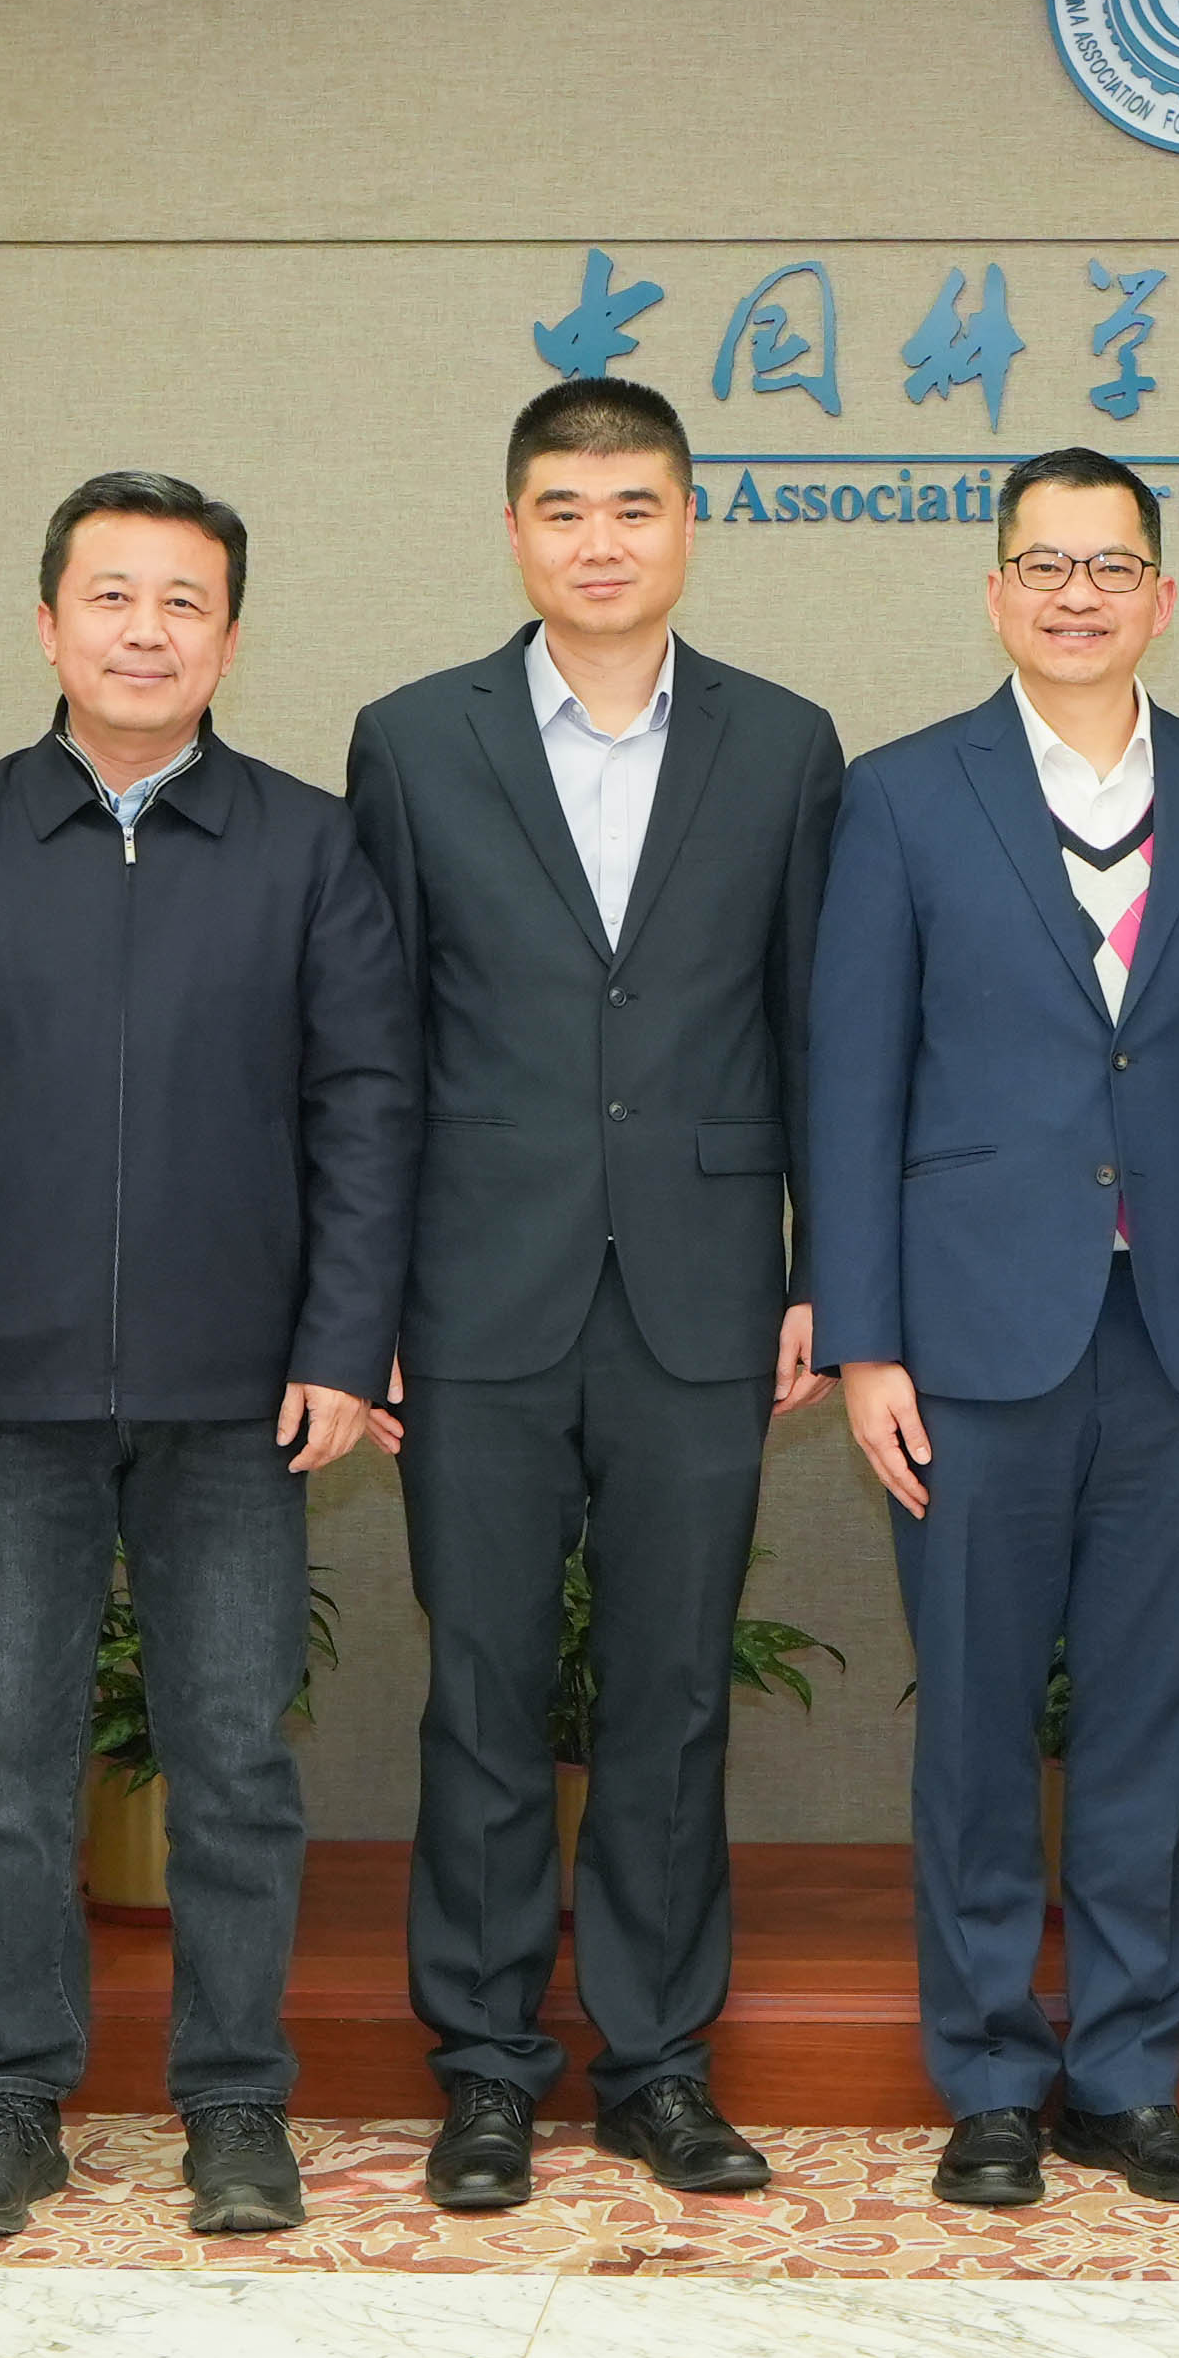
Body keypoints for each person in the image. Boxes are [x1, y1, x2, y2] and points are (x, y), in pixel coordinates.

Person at [0, 470, 413, 2247]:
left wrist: (342, 1343)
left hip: (239, 1393)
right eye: (112, 596)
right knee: (3, 1765)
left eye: (184, 601)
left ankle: (236, 2104)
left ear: (231, 638)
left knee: (233, 1759)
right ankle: (11, 2103)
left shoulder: (312, 846)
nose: (146, 629)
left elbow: (366, 1116)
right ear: (46, 623)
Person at [340, 378, 841, 2213]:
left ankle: (655, 2062)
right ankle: (482, 2071)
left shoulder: (786, 746)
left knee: (672, 1691)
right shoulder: (412, 738)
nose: (601, 540)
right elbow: (373, 1049)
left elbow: (822, 1041)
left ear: (689, 525)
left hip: (706, 1294)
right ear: (513, 531)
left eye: (635, 506)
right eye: (565, 509)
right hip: (472, 1289)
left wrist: (826, 1278)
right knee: (477, 1687)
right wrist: (362, 1298)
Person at [803, 445, 1179, 2215]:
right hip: (969, 1338)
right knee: (980, 1720)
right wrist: (865, 1340)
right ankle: (995, 2077)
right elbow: (849, 1083)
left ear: (1164, 595)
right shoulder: (905, 794)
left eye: (1111, 566)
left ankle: (1129, 2074)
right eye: (1042, 565)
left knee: (1158, 1713)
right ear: (996, 594)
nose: (1076, 594)